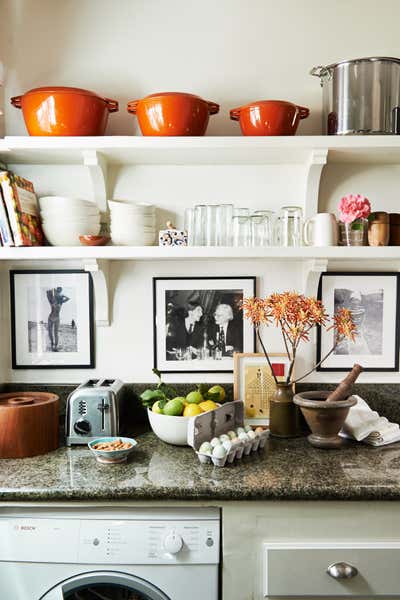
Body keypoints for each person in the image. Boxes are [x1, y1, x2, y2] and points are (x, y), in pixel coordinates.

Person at [46, 287, 70, 352]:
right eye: (58, 291)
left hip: (57, 318)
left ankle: (55, 346)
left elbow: (68, 298)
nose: (59, 292)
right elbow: (47, 292)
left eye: (60, 291)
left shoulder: (61, 302)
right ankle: (52, 343)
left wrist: (63, 295)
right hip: (50, 318)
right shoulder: (52, 300)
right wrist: (53, 290)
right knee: (50, 332)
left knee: (56, 333)